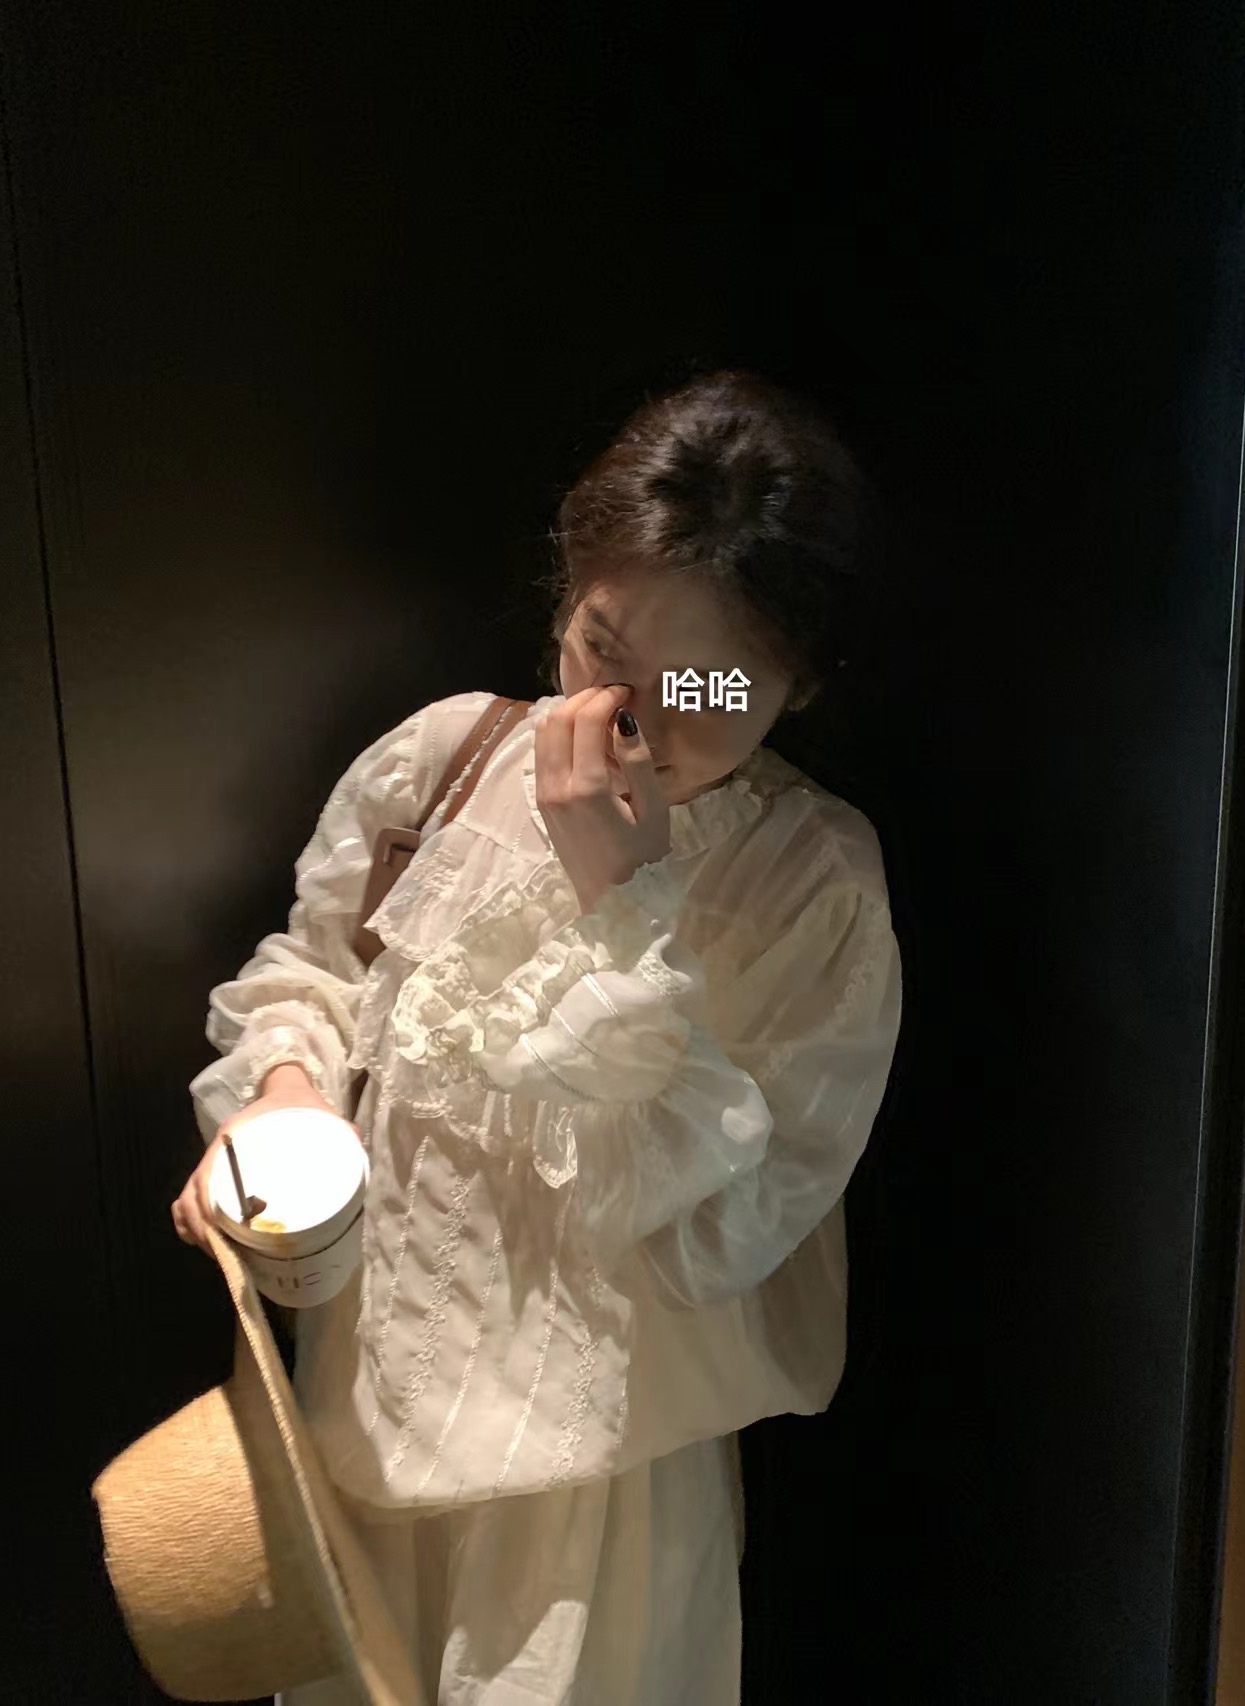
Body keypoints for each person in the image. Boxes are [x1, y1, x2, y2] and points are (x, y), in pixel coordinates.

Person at [171, 368, 904, 1705]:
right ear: (566, 590)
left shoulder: (811, 883)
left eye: (704, 685)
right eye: (603, 653)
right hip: (352, 1435)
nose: (634, 724)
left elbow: (724, 1235)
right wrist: (282, 1096)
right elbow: (317, 971)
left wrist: (625, 910)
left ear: (799, 684)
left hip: (595, 1507)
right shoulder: (442, 758)